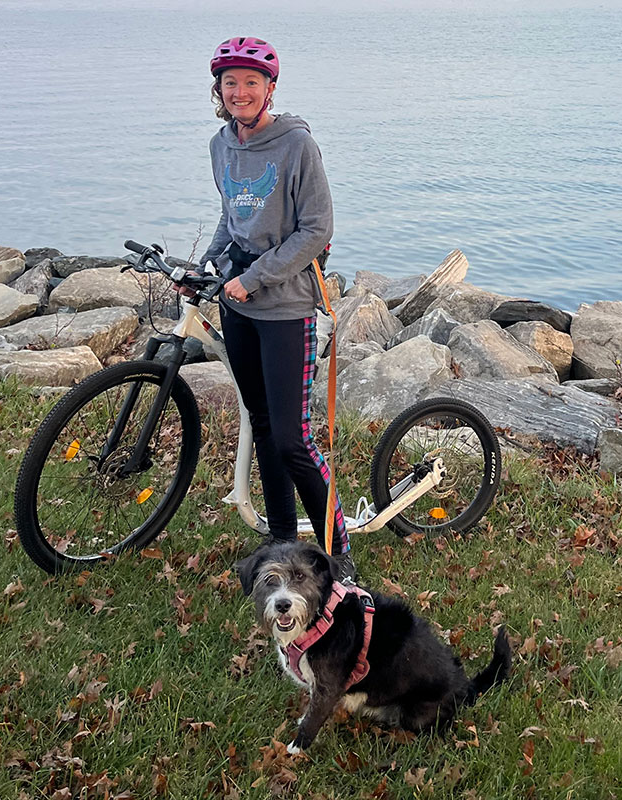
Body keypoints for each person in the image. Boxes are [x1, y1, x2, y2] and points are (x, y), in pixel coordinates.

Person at [199, 36, 354, 580]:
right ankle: (283, 542)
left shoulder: (296, 147)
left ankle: (338, 554)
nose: (239, 91)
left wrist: (255, 278)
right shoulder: (222, 144)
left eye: (251, 82)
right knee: (262, 424)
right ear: (217, 89)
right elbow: (230, 218)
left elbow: (317, 230)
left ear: (269, 88)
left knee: (292, 439)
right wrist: (207, 265)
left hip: (286, 304)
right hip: (238, 304)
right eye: (230, 82)